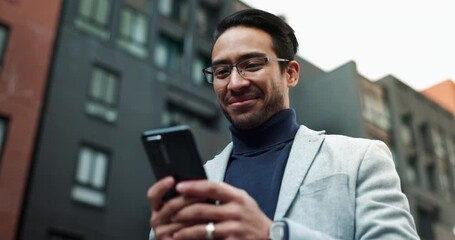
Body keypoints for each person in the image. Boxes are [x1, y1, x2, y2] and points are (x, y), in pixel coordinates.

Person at [147, 8, 419, 240]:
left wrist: (273, 234)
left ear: (290, 73)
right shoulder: (197, 183)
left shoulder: (360, 159)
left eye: (251, 64)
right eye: (221, 72)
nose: (235, 83)